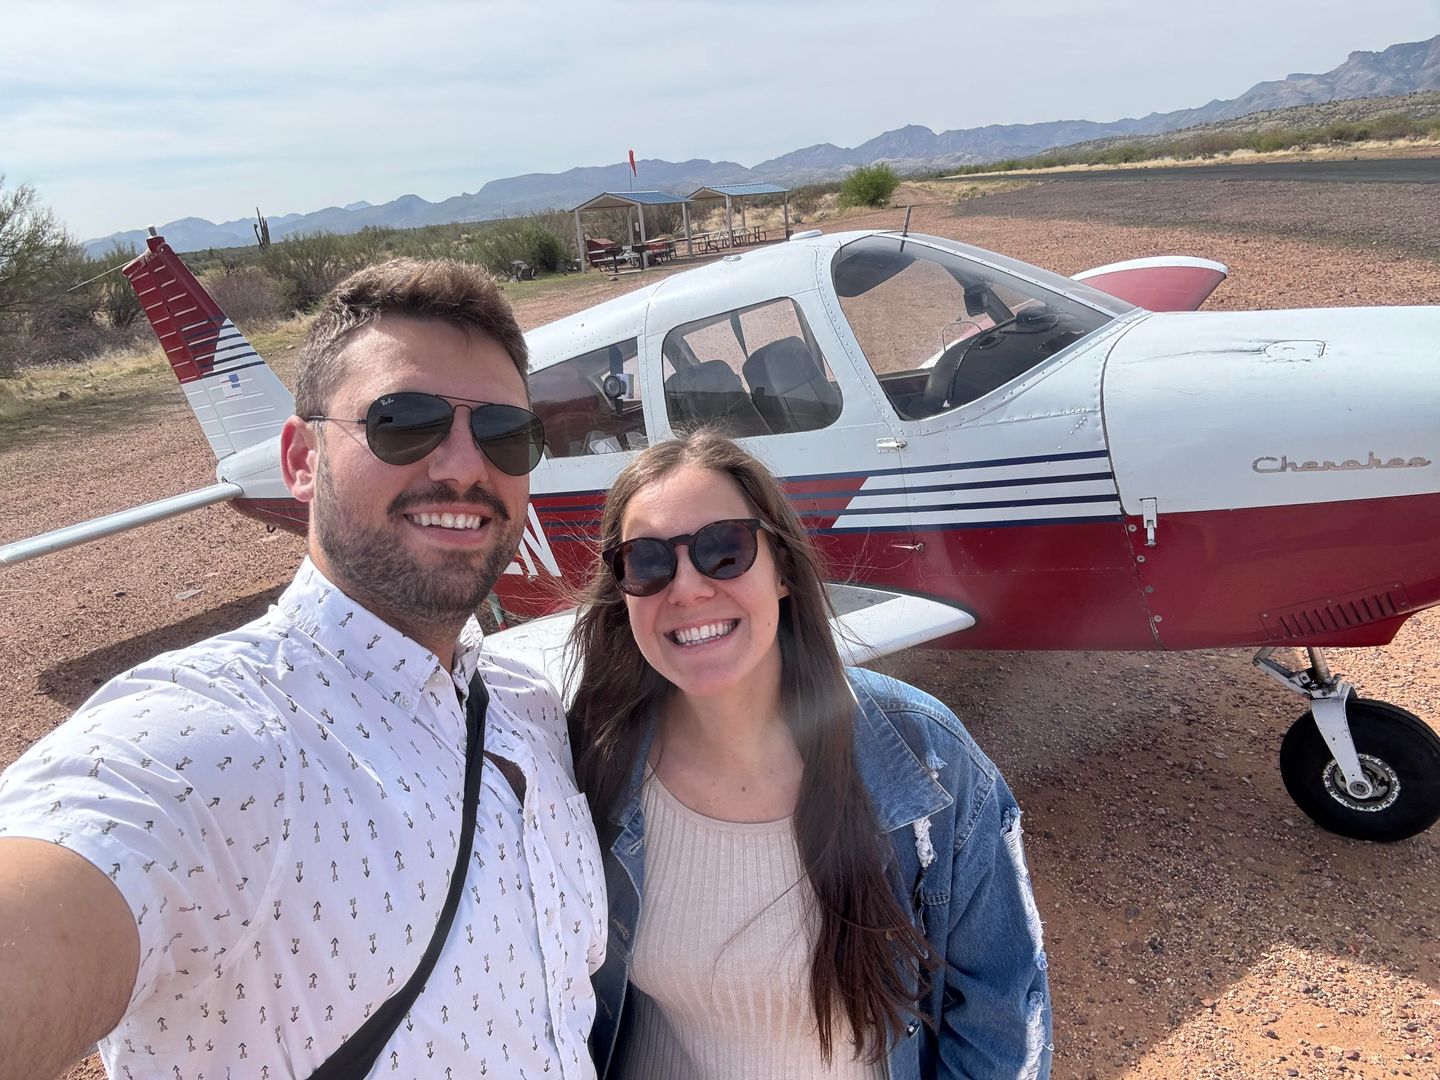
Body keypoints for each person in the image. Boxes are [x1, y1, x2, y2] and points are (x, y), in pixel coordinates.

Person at [0, 259, 606, 1079]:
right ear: (299, 459)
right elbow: (76, 862)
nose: (466, 465)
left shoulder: (527, 705)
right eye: (402, 420)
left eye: (504, 433)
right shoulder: (211, 746)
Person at [567, 428, 1051, 1080]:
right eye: (647, 561)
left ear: (784, 569)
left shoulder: (922, 755)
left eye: (724, 550)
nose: (685, 589)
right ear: (623, 592)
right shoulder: (594, 759)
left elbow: (1001, 1007)